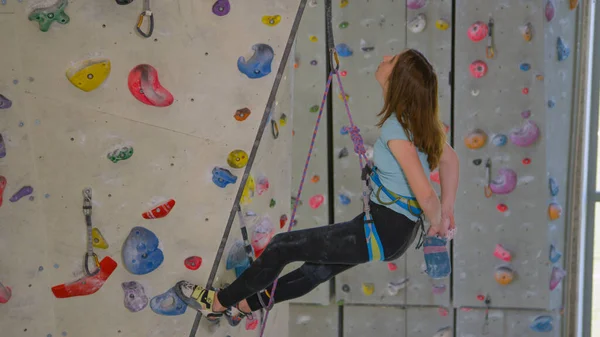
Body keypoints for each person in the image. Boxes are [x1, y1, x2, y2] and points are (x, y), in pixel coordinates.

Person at [173, 48, 460, 324]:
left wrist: (438, 221)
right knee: (316, 271)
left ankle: (217, 303)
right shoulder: (419, 123)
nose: (385, 58)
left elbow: (425, 195)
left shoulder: (398, 131)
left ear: (397, 81)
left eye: (392, 60)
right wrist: (447, 208)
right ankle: (244, 306)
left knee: (282, 247)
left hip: (384, 229)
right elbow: (451, 160)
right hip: (394, 232)